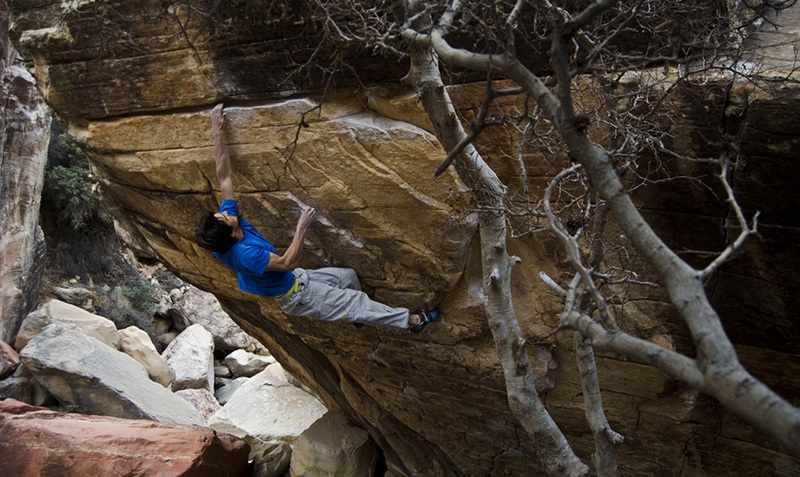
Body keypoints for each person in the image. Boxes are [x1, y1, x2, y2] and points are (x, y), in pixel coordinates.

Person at [195, 104, 438, 333]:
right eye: (225, 217)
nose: (227, 213)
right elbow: (287, 262)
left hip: (300, 279)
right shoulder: (246, 255)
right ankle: (413, 321)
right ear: (231, 233)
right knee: (357, 302)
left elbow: (224, 176)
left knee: (348, 277)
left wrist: (217, 133)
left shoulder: (222, 238)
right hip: (298, 296)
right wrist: (301, 227)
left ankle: (357, 314)